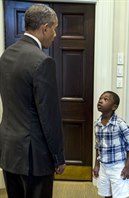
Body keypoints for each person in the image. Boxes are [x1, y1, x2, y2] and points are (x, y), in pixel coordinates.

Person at [0, 4, 65, 198]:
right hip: (35, 157)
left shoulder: (6, 55)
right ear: (44, 28)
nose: (55, 34)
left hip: (9, 150)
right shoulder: (43, 61)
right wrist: (58, 157)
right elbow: (49, 117)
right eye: (54, 28)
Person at [93, 91, 129, 198]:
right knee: (106, 194)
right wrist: (97, 165)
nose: (100, 101)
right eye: (100, 98)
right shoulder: (97, 124)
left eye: (105, 99)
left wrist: (128, 166)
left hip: (118, 167)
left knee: (119, 195)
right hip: (103, 167)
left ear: (114, 107)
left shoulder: (120, 124)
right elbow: (98, 146)